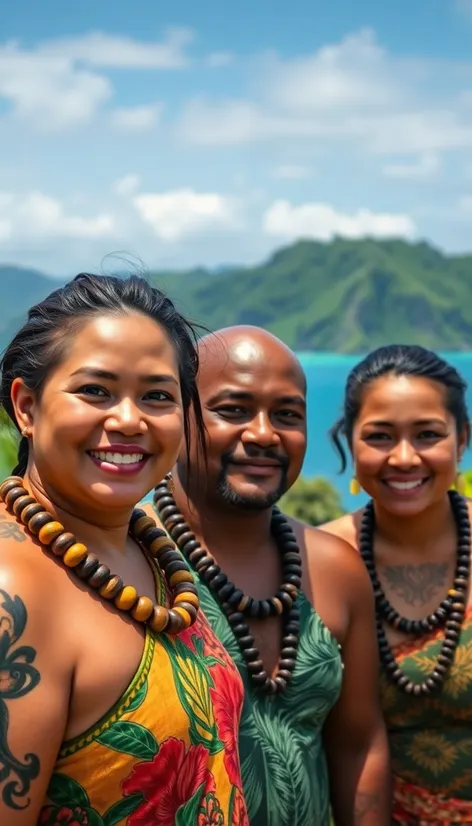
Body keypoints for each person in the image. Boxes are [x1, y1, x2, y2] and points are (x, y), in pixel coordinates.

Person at [0, 274, 248, 826]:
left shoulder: (151, 551)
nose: (129, 420)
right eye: (96, 391)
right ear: (26, 406)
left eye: (157, 396)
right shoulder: (14, 590)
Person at [148, 325, 391, 826]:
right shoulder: (127, 558)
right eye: (233, 410)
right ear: (179, 415)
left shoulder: (335, 569)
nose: (263, 434)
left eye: (287, 415)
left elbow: (359, 743)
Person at [321, 344, 472, 824]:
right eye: (380, 436)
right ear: (349, 441)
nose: (404, 458)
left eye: (428, 434)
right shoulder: (319, 564)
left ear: (462, 439)